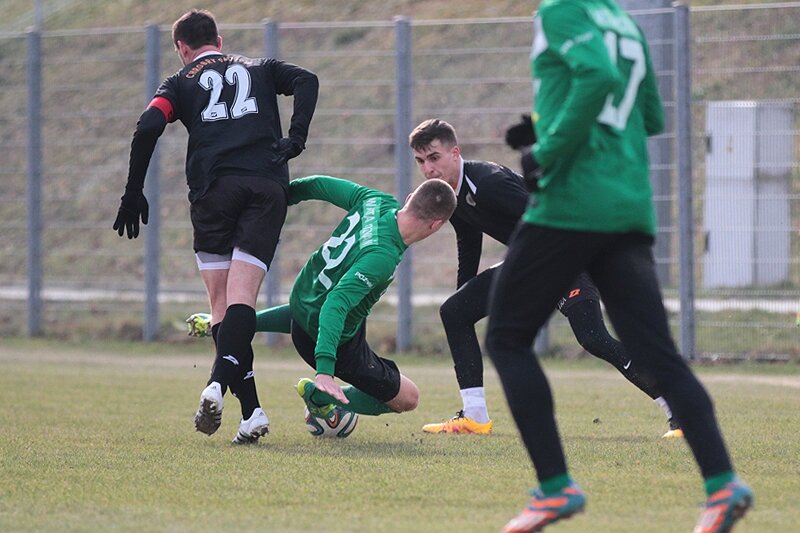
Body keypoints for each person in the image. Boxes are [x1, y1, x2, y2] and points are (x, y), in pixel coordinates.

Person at [484, 2, 753, 532]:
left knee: (506, 338)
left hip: (572, 203)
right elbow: (650, 116)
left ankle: (555, 488)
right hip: (627, 203)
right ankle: (723, 484)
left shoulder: (561, 11)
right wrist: (547, 124)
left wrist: (547, 149)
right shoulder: (623, 20)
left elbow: (598, 76)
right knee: (660, 355)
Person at [112, 9, 319, 445]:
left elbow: (148, 125)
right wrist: (296, 138)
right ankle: (251, 412)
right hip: (265, 185)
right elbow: (307, 79)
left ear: (181, 48)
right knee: (240, 300)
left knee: (222, 305)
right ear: (219, 41)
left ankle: (217, 385)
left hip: (213, 193)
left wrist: (133, 190)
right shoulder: (261, 67)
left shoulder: (178, 82)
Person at [409, 118, 681, 438]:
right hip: (531, 265)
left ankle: (679, 409)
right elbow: (469, 242)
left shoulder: (489, 184)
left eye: (434, 157)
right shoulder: (451, 196)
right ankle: (474, 417)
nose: (428, 169)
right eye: (420, 161)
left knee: (593, 337)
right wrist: (465, 295)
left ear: (455, 153)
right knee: (455, 312)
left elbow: (549, 216)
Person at [190, 175, 456, 422]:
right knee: (409, 397)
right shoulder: (382, 256)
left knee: (342, 305)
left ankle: (226, 325)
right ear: (436, 225)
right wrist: (325, 371)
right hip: (325, 336)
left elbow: (318, 184)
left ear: (409, 198)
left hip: (304, 298)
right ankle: (319, 397)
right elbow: (336, 304)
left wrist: (277, 200)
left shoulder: (376, 200)